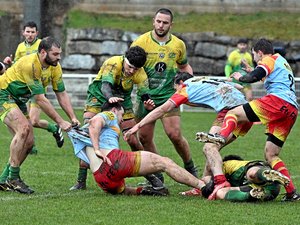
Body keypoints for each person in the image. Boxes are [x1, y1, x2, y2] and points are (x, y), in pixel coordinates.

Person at [197, 38, 300, 201]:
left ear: (259, 52)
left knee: (233, 113)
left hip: (277, 102)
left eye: (254, 55)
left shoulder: (268, 59)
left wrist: (241, 76)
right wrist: (252, 69)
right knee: (271, 154)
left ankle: (221, 136)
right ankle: (292, 192)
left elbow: (256, 75)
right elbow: (269, 77)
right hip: (292, 110)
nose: (254, 57)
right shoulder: (282, 61)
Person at [125, 71, 253, 197]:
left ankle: (221, 183)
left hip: (230, 111)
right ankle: (205, 184)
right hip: (246, 113)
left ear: (181, 83)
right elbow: (238, 86)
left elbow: (162, 109)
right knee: (213, 149)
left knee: (209, 148)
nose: (176, 92)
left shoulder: (185, 89)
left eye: (176, 88)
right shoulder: (203, 79)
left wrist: (138, 125)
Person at [67, 102, 205, 195]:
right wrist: (97, 149)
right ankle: (203, 187)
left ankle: (147, 191)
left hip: (102, 179)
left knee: (125, 190)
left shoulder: (84, 133)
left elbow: (84, 161)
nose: (121, 120)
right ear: (115, 110)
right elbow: (95, 122)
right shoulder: (109, 114)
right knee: (165, 162)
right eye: (121, 115)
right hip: (112, 162)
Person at [69, 46, 158, 190]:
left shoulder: (140, 73)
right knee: (89, 136)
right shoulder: (113, 63)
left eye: (136, 69)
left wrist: (148, 103)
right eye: (130, 67)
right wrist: (110, 99)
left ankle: (153, 178)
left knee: (132, 139)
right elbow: (105, 86)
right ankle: (81, 181)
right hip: (98, 97)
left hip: (122, 100)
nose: (132, 71)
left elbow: (144, 95)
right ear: (125, 59)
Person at [0, 36, 80, 194]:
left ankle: (3, 180)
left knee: (29, 143)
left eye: (59, 54)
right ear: (43, 52)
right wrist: (60, 121)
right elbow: (40, 100)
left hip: (20, 100)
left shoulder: (55, 67)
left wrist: (72, 117)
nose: (59, 57)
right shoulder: (31, 64)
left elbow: (61, 93)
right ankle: (13, 178)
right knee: (23, 129)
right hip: (4, 94)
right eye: (55, 54)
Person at [130, 8, 198, 182]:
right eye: (158, 21)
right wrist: (144, 95)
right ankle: (157, 172)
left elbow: (184, 67)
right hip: (145, 97)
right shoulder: (141, 42)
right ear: (153, 21)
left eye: (165, 22)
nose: (161, 25)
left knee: (174, 134)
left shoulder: (178, 44)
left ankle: (190, 166)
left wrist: (188, 83)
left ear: (171, 24)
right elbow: (132, 69)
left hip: (168, 95)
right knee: (144, 138)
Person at [3, 21, 64, 154]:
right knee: (23, 124)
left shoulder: (43, 46)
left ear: (37, 33)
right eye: (28, 32)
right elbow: (17, 65)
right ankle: (27, 143)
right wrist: (9, 63)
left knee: (34, 120)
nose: (30, 34)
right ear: (23, 32)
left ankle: (51, 130)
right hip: (23, 89)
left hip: (37, 90)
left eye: (32, 32)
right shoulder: (20, 47)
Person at [182, 155, 289, 202]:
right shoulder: (231, 173)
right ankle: (254, 192)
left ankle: (264, 176)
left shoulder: (228, 164)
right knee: (220, 193)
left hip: (258, 174)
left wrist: (205, 184)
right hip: (271, 190)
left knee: (251, 174)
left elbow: (206, 178)